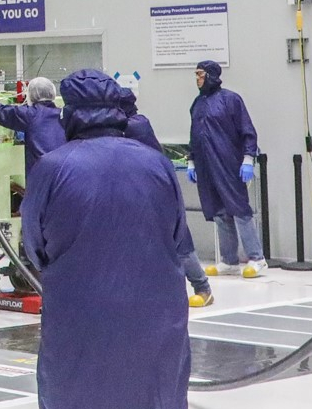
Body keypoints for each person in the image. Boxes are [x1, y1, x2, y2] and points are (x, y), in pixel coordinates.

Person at [22, 70, 191, 409]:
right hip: (156, 308)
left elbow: (33, 243)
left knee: (76, 388)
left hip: (78, 308)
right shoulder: (157, 163)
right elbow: (178, 237)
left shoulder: (52, 167)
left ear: (69, 115)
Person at [126, 90, 211, 307]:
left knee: (180, 242)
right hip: (145, 190)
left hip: (156, 191)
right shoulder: (131, 125)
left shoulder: (134, 126)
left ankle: (202, 287)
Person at [187, 59, 266, 277]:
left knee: (239, 210)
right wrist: (192, 161)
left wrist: (248, 158)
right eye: (196, 75)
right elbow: (194, 135)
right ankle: (229, 260)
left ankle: (257, 258)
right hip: (207, 167)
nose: (197, 79)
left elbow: (247, 130)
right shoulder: (197, 104)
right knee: (220, 212)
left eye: (200, 74)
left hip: (229, 164)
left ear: (211, 75)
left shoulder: (231, 100)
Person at [0, 77, 67, 175]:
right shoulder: (63, 114)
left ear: (30, 95)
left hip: (41, 171)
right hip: (64, 169)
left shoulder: (30, 114)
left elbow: (2, 112)